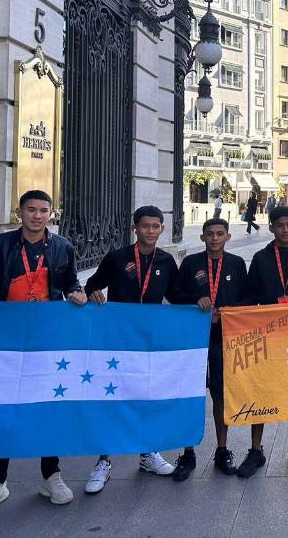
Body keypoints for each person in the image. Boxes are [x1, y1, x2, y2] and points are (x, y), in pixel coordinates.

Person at [0, 190, 88, 517]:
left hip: (47, 341)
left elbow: (69, 283)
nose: (37, 216)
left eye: (44, 210)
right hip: (7, 343)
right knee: (4, 405)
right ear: (19, 212)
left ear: (51, 214)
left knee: (49, 405)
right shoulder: (1, 245)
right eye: (31, 210)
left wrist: (77, 294)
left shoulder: (62, 247)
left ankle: (51, 475)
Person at [81, 206, 180, 493]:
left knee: (147, 395)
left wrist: (199, 304)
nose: (150, 231)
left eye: (155, 226)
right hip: (117, 341)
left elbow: (176, 295)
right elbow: (91, 285)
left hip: (149, 342)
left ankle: (148, 453)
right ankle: (103, 461)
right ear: (135, 228)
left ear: (162, 229)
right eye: (145, 226)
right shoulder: (117, 258)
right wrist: (92, 293)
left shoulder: (166, 261)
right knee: (112, 396)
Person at [239, 206, 288, 476]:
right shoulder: (261, 258)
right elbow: (250, 295)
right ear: (271, 227)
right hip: (269, 333)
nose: (285, 230)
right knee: (262, 389)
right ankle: (256, 450)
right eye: (279, 225)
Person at [169, 218, 248, 481]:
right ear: (202, 238)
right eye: (210, 234)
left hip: (223, 338)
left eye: (219, 234)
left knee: (220, 395)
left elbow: (247, 298)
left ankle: (222, 450)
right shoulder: (191, 263)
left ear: (228, 237)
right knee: (191, 393)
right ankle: (187, 452)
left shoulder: (236, 264)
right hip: (194, 340)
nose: (214, 238)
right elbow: (175, 294)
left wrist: (229, 311)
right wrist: (195, 301)